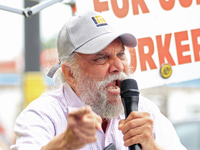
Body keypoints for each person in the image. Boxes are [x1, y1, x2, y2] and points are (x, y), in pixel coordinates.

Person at [11, 11, 186, 150]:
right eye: (101, 58)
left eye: (121, 54)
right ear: (71, 73)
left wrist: (153, 147)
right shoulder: (43, 115)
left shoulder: (146, 112)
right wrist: (64, 144)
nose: (118, 66)